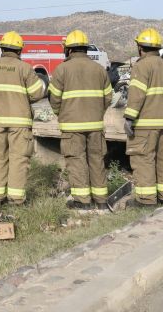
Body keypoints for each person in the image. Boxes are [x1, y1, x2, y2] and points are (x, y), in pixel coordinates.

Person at [48, 30, 113, 210]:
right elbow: (108, 97)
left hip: (71, 126)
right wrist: (97, 112)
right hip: (95, 125)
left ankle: (82, 201)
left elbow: (54, 98)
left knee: (76, 161)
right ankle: (101, 201)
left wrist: (60, 114)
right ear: (85, 49)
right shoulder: (99, 69)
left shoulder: (62, 69)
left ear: (68, 50)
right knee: (96, 160)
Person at [0, 31, 46, 205]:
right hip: (20, 122)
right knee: (18, 158)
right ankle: (16, 199)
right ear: (19, 50)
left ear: (2, 48)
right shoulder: (24, 68)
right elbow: (37, 93)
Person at [123, 28, 163, 208]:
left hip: (145, 124)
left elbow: (136, 94)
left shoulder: (141, 66)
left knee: (143, 160)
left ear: (140, 47)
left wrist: (129, 117)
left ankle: (146, 201)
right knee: (162, 160)